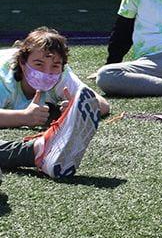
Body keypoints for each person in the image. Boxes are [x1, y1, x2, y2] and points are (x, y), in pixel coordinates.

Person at [0, 28, 108, 179]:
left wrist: (74, 107)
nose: (47, 72)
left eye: (55, 66)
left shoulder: (61, 75)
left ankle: (40, 150)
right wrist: (24, 117)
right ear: (22, 63)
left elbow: (100, 104)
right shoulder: (3, 78)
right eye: (39, 64)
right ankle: (39, 150)